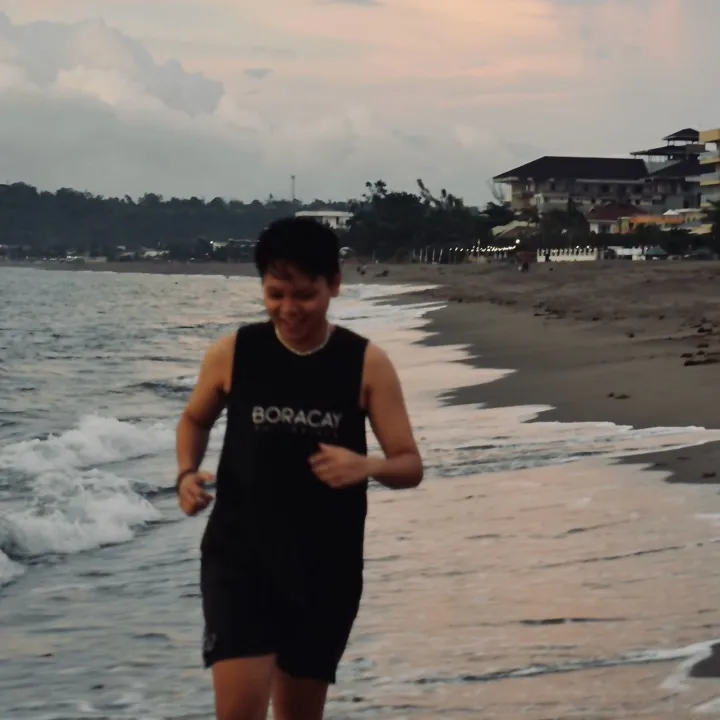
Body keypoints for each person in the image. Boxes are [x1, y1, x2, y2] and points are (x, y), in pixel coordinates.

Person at [175, 216, 424, 720]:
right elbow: (194, 419)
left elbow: (409, 464)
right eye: (275, 294)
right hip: (239, 557)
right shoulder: (234, 353)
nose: (289, 309)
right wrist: (186, 473)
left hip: (325, 565)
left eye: (305, 295)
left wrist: (366, 465)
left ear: (334, 284)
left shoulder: (365, 363)